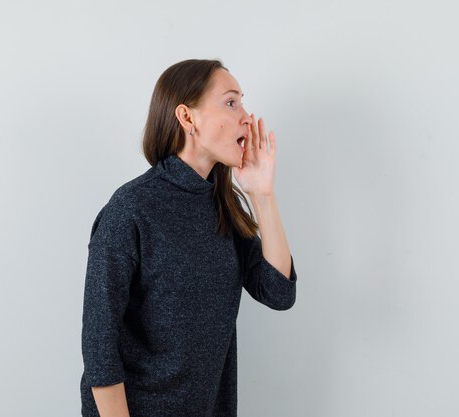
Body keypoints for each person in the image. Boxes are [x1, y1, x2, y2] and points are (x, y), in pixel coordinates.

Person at [79, 58, 298, 417]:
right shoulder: (131, 208)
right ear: (187, 117)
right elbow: (99, 345)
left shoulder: (221, 207)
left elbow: (278, 292)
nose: (246, 115)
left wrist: (262, 195)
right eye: (231, 102)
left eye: (242, 101)